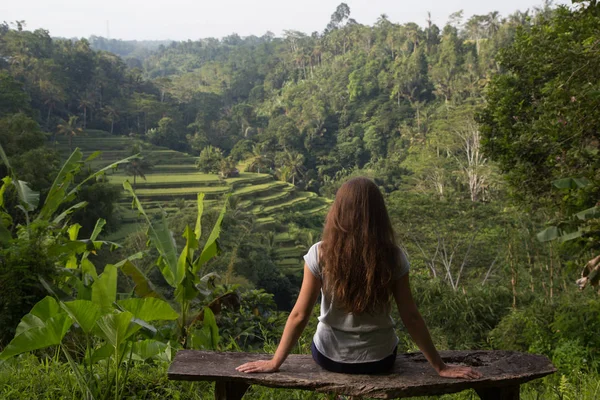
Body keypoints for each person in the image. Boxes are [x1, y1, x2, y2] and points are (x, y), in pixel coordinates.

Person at [237, 177, 482, 379]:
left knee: (321, 341)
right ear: (379, 215)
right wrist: (440, 367)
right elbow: (411, 317)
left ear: (338, 211)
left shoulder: (320, 253)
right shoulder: (394, 256)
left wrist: (275, 362)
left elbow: (300, 315)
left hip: (329, 356)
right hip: (379, 359)